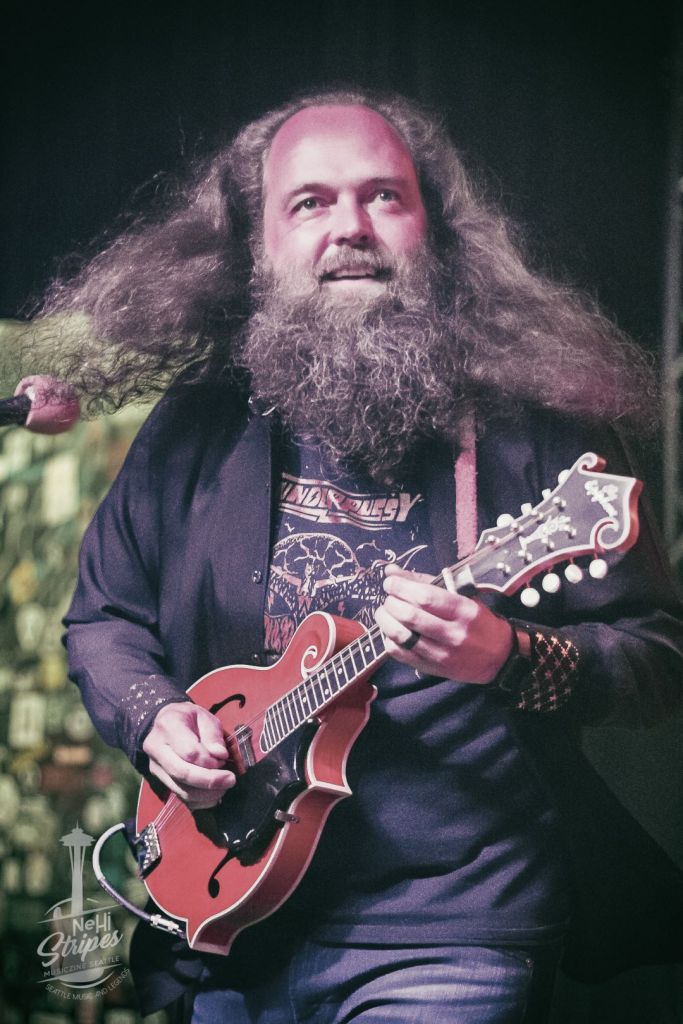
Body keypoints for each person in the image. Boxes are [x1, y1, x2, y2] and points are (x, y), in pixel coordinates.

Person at [49, 89, 683, 1022]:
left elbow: (657, 658)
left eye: (384, 196)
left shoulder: (539, 424)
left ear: (436, 231)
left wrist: (509, 655)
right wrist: (155, 718)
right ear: (257, 246)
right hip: (230, 917)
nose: (350, 227)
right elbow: (103, 616)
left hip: (454, 928)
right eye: (310, 202)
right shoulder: (196, 425)